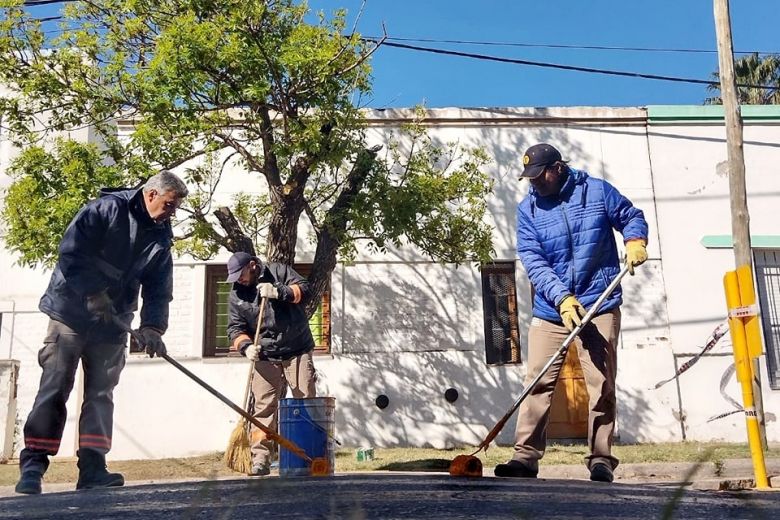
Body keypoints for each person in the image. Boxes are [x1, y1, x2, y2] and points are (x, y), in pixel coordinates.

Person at [15, 171, 188, 495]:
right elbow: (71, 252)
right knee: (55, 387)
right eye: (169, 205)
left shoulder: (162, 236)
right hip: (70, 312)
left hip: (113, 321)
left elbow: (158, 287)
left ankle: (93, 468)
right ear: (151, 195)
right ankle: (33, 467)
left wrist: (152, 327)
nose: (171, 213)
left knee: (101, 394)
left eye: (174, 208)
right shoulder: (105, 210)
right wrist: (93, 292)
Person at [495, 143, 648, 483]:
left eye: (539, 176)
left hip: (599, 302)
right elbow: (533, 260)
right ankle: (525, 457)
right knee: (537, 379)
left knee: (600, 383)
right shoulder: (528, 210)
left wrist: (635, 239)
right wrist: (562, 298)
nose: (535, 183)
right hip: (553, 309)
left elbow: (630, 216)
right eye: (530, 178)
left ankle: (601, 458)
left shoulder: (595, 191)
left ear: (557, 168)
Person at [226, 251, 317, 476]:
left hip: (297, 350)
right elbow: (234, 329)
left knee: (305, 402)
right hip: (265, 355)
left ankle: (309, 455)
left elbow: (305, 290)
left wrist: (279, 291)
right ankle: (261, 459)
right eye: (235, 276)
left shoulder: (279, 271)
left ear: (253, 265)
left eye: (241, 274)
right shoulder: (237, 295)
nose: (239, 279)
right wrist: (246, 347)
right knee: (263, 408)